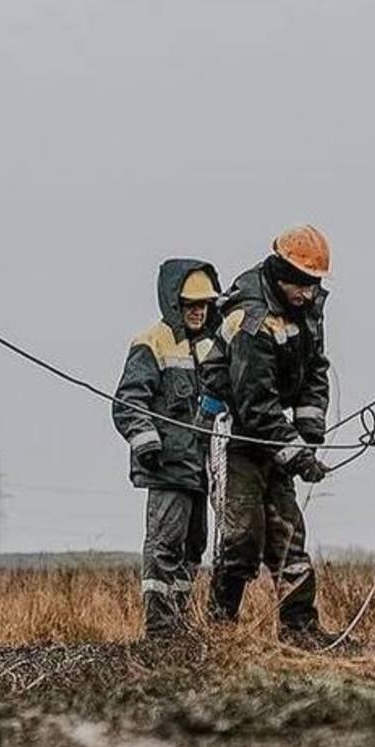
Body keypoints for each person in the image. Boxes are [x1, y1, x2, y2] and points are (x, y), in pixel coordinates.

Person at [201, 226, 336, 648]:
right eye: (303, 285)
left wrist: (310, 431)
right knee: (242, 535)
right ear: (282, 276)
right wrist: (297, 454)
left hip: (278, 429)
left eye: (316, 285)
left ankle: (300, 629)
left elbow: (316, 369)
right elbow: (254, 404)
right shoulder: (251, 319)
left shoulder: (307, 307)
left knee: (288, 531)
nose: (309, 294)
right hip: (238, 433)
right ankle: (221, 628)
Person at [112, 260, 225, 637]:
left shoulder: (212, 347)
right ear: (174, 303)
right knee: (164, 548)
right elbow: (128, 401)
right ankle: (160, 630)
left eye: (205, 303)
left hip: (201, 471)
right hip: (167, 467)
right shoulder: (151, 342)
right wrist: (147, 443)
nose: (199, 310)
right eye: (192, 303)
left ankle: (180, 624)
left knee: (194, 550)